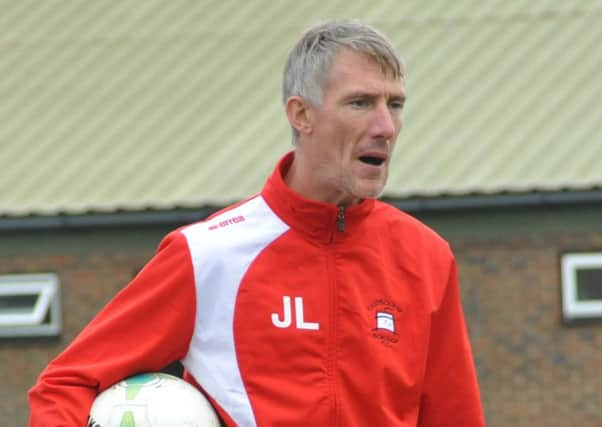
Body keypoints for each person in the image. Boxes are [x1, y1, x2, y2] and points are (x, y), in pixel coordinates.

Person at [29, 20, 485, 426]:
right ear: (302, 115)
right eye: (361, 103)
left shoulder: (426, 257)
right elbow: (65, 386)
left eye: (396, 105)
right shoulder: (208, 255)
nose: (386, 126)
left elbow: (454, 416)